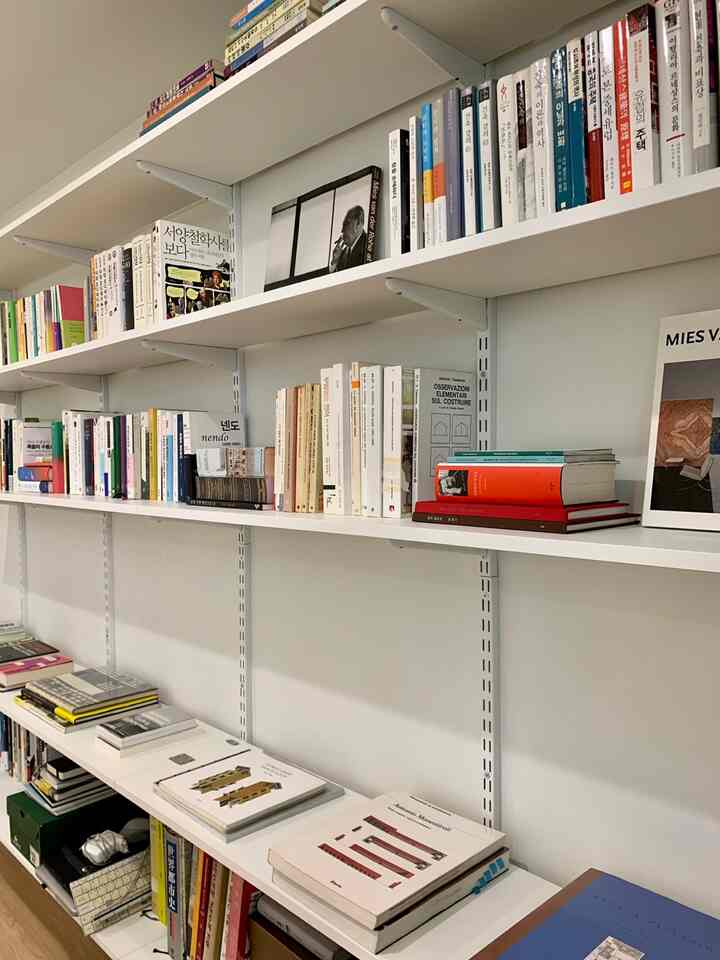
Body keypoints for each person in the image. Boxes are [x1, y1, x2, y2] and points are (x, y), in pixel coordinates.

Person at [329, 205, 367, 273]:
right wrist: (334, 261)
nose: (342, 230)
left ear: (358, 223)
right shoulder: (342, 254)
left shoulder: (367, 244)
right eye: (343, 225)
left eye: (347, 224)